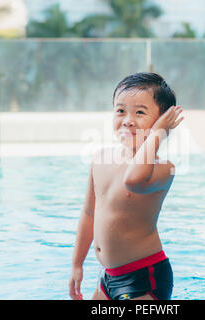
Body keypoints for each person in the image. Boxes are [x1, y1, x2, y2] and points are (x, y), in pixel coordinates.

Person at [69, 72, 184, 300]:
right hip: (108, 277)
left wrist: (159, 132)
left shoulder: (163, 169)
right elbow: (89, 213)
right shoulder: (101, 159)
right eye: (120, 110)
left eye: (140, 112)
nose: (128, 120)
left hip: (144, 276)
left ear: (163, 121)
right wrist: (77, 265)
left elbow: (133, 180)